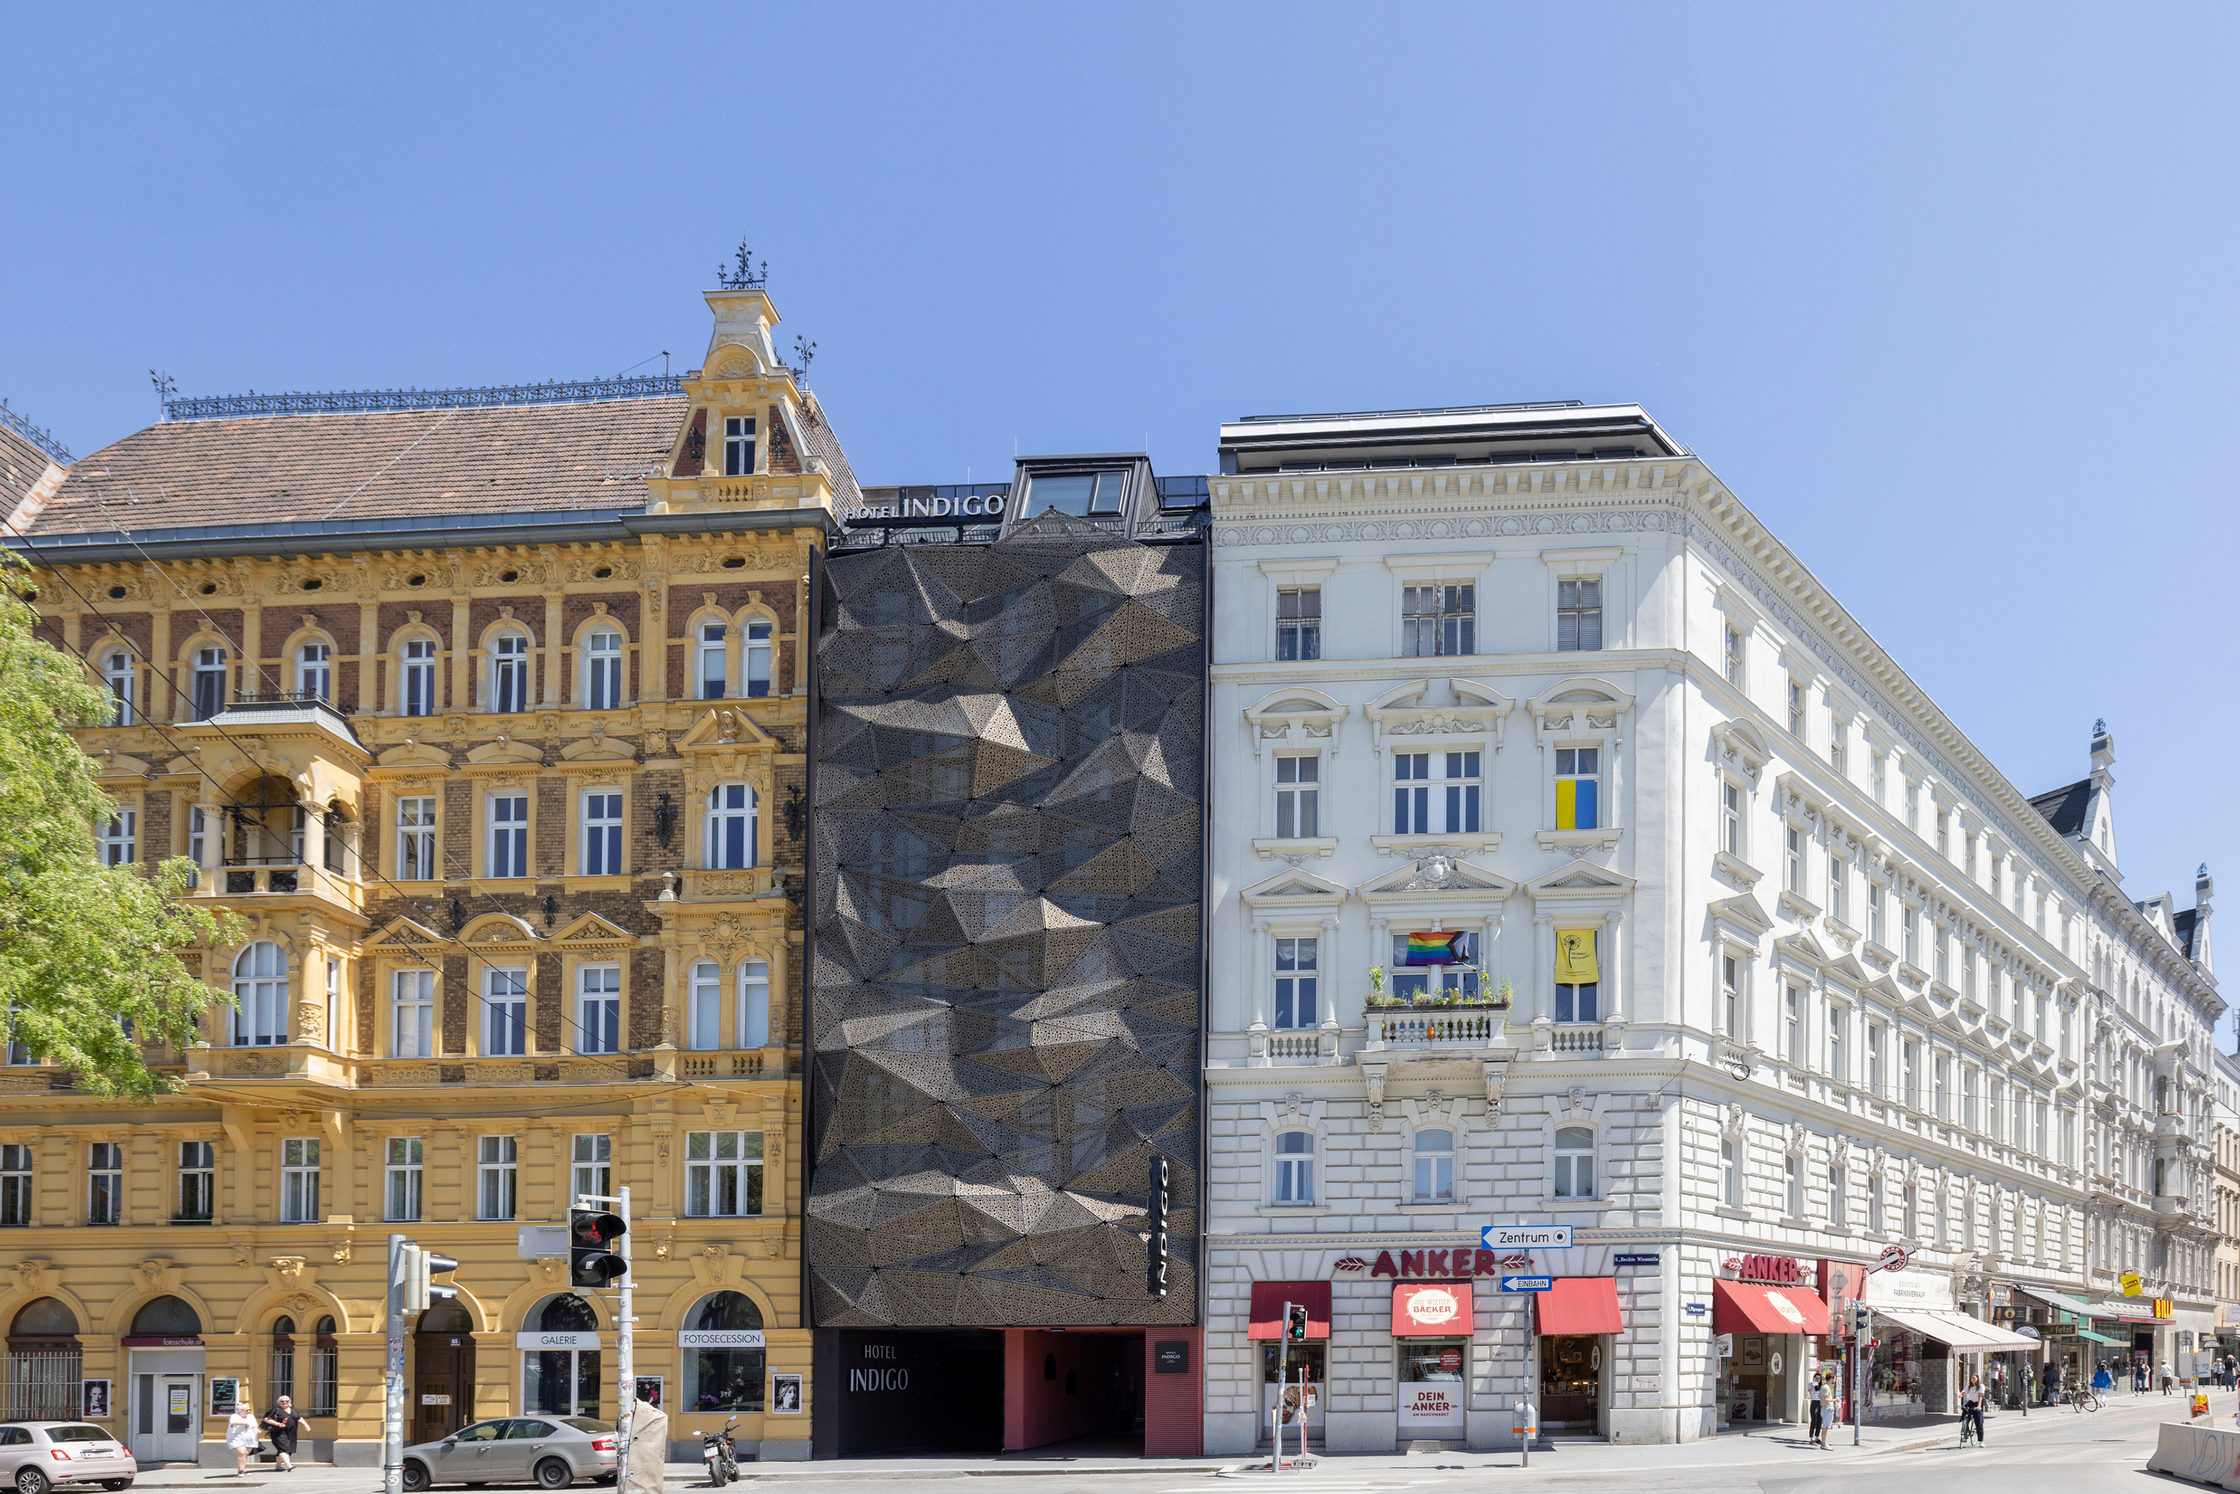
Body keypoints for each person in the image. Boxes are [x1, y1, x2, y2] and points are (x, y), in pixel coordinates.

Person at [260, 1395, 301, 1473]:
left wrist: (306, 1425)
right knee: (283, 1448)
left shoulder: (293, 1410)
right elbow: (266, 1419)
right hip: (278, 1433)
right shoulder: (276, 1409)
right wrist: (277, 1424)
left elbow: (299, 1418)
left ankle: (278, 1466)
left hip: (290, 1433)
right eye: (282, 1401)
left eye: (286, 1401)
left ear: (289, 1402)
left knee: (283, 1449)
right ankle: (289, 1466)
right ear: (279, 1402)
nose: (284, 1402)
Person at [225, 1401, 260, 1475]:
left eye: (249, 1410)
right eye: (246, 1410)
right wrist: (245, 1423)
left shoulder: (251, 1417)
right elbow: (233, 1422)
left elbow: (254, 1425)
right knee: (241, 1452)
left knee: (245, 1454)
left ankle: (242, 1469)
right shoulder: (234, 1416)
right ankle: (240, 1471)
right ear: (240, 1411)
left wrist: (257, 1430)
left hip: (249, 1438)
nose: (248, 1412)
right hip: (236, 1437)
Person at [1961, 1374, 1985, 1446]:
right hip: (1970, 1403)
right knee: (1965, 1418)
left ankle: (1981, 1441)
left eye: (1974, 1378)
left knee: (1979, 1422)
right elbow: (1964, 1391)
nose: (1972, 1380)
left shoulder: (1981, 1386)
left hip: (1977, 1403)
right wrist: (1961, 1394)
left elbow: (1980, 1397)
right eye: (1971, 1378)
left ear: (1977, 1379)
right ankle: (1965, 1433)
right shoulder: (1969, 1387)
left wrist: (1979, 1406)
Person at [1808, 1372, 1825, 1448]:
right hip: (1814, 1403)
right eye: (1816, 1378)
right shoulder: (1811, 1384)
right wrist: (1813, 1385)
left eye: (1819, 1378)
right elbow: (1811, 1392)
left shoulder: (1822, 1386)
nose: (1818, 1380)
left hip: (1820, 1403)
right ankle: (1811, 1438)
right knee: (1814, 1420)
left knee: (1819, 1421)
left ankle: (1817, 1437)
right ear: (1814, 1378)